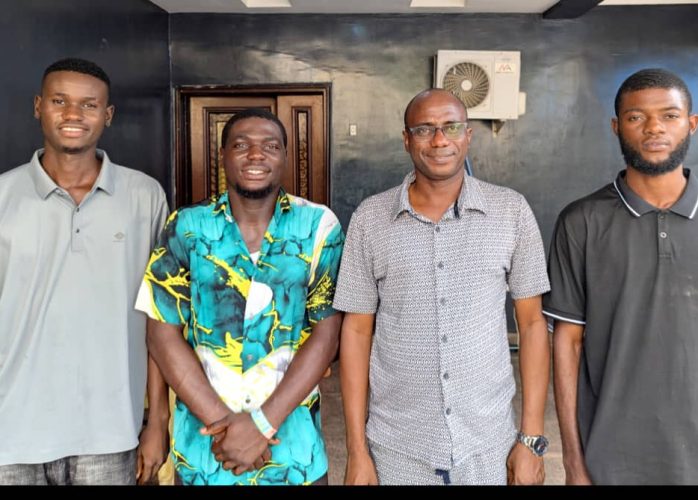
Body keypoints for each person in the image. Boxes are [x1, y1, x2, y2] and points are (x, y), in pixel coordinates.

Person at [333, 88, 551, 485]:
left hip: (489, 444)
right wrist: (356, 450)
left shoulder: (511, 211)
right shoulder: (370, 219)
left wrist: (531, 440)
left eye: (451, 127)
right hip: (397, 447)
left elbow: (533, 324)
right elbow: (357, 331)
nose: (439, 140)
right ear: (406, 139)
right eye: (424, 129)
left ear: (468, 135)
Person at [135, 108, 344, 485]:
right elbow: (162, 334)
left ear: (285, 157)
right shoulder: (186, 226)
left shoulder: (319, 226)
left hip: (294, 455)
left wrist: (262, 424)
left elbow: (327, 335)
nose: (256, 154)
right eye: (241, 145)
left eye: (270, 146)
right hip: (205, 456)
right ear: (222, 155)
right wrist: (225, 426)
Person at [0, 58, 170, 485]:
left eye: (89, 105)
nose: (73, 114)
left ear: (107, 115)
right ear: (38, 106)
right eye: (59, 101)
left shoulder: (145, 197)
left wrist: (157, 421)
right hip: (10, 432)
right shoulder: (2, 196)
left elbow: (161, 318)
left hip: (110, 431)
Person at [545, 68, 698, 485]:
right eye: (636, 117)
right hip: (612, 461)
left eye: (669, 115)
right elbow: (567, 344)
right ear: (616, 127)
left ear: (691, 123)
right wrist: (573, 462)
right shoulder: (582, 221)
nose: (654, 128)